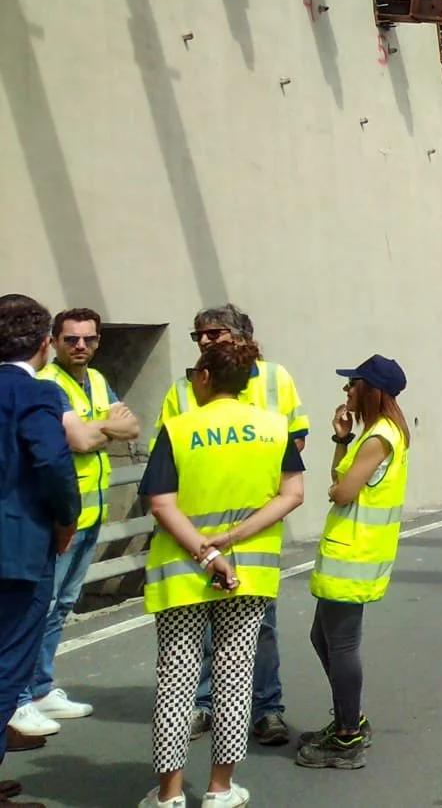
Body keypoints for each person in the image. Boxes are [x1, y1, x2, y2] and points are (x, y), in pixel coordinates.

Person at [138, 338, 305, 808]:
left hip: (182, 574)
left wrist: (205, 552)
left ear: (205, 377)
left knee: (176, 682)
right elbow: (292, 494)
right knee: (236, 679)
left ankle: (169, 796)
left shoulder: (178, 428)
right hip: (249, 574)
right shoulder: (274, 429)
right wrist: (230, 540)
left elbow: (159, 502)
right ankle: (219, 789)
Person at [21, 308, 140, 728]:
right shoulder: (47, 383)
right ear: (52, 341)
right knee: (40, 605)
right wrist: (102, 428)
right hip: (60, 515)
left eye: (89, 339)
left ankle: (40, 686)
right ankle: (20, 697)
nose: (81, 346)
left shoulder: (99, 380)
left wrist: (97, 430)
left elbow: (131, 428)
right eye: (71, 339)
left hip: (93, 511)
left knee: (62, 605)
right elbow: (81, 439)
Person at [298, 356, 412, 771]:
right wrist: (340, 438)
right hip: (355, 551)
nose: (346, 391)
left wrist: (338, 482)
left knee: (340, 643)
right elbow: (340, 479)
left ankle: (347, 734)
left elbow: (341, 492)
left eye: (352, 385)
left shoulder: (380, 437)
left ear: (370, 389)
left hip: (353, 553)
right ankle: (349, 718)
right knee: (322, 637)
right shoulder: (376, 435)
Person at [0, 294, 80, 808]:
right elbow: (51, 460)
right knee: (8, 666)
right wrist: (67, 516)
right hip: (17, 549)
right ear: (45, 344)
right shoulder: (35, 393)